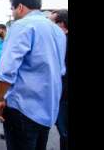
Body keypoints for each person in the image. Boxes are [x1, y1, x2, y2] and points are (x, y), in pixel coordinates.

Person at [0, 0, 66, 150]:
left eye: (12, 9)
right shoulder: (58, 31)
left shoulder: (22, 26)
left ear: (20, 7)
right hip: (48, 110)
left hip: (23, 109)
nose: (12, 14)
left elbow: (6, 72)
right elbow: (60, 70)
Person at [49, 9, 68, 150]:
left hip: (64, 97)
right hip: (62, 96)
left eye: (52, 23)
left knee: (65, 132)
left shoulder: (62, 42)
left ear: (62, 24)